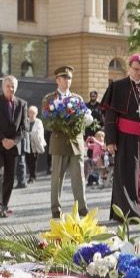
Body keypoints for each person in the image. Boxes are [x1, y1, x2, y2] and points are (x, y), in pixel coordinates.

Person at [103, 55, 140, 219]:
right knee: (125, 174)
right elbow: (110, 115)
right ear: (129, 69)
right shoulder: (118, 86)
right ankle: (128, 213)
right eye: (136, 69)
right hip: (124, 137)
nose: (139, 73)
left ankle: (134, 209)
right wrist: (110, 140)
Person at [42, 66, 89, 219]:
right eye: (64, 78)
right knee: (57, 178)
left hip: (76, 142)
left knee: (79, 178)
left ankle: (82, 207)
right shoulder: (50, 99)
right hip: (59, 141)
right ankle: (56, 208)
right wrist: (61, 123)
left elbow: (84, 120)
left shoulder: (77, 99)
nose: (67, 81)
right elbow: (46, 122)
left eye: (69, 78)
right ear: (57, 80)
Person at [0, 75, 28, 218]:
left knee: (9, 177)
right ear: (3, 87)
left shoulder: (22, 104)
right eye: (8, 86)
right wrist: (3, 139)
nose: (11, 88)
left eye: (13, 86)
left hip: (12, 147)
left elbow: (24, 127)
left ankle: (4, 205)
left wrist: (14, 141)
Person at [26, 105, 45, 183]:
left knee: (33, 160)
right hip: (27, 144)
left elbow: (39, 133)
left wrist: (30, 134)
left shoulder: (38, 121)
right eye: (30, 112)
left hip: (36, 144)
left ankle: (32, 176)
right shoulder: (26, 121)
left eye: (33, 112)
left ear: (36, 113)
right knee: (28, 160)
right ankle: (31, 175)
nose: (31, 114)